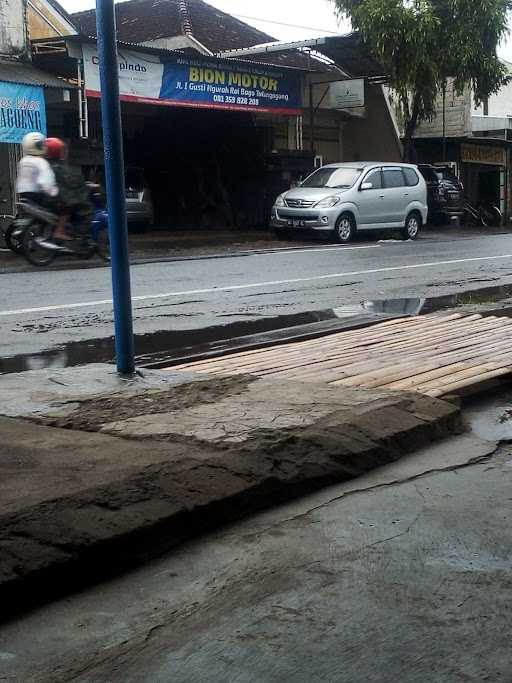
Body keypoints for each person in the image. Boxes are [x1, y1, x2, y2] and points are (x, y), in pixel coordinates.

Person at [45, 137, 92, 241]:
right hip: (59, 198)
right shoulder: (57, 166)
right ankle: (60, 231)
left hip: (53, 195)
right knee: (75, 205)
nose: (64, 152)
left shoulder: (49, 164)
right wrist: (85, 185)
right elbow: (70, 182)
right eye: (62, 150)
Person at [16, 132, 58, 205]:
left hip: (23, 195)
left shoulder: (23, 160)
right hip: (38, 197)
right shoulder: (41, 162)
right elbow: (45, 183)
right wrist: (54, 193)